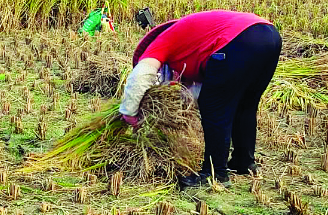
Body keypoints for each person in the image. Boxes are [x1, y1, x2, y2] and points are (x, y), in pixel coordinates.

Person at [119, 10, 281, 188]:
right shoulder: (190, 40)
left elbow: (141, 75)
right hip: (269, 36)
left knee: (215, 109)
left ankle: (215, 174)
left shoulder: (160, 42)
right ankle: (244, 162)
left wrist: (129, 112)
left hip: (239, 39)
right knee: (245, 106)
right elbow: (202, 88)